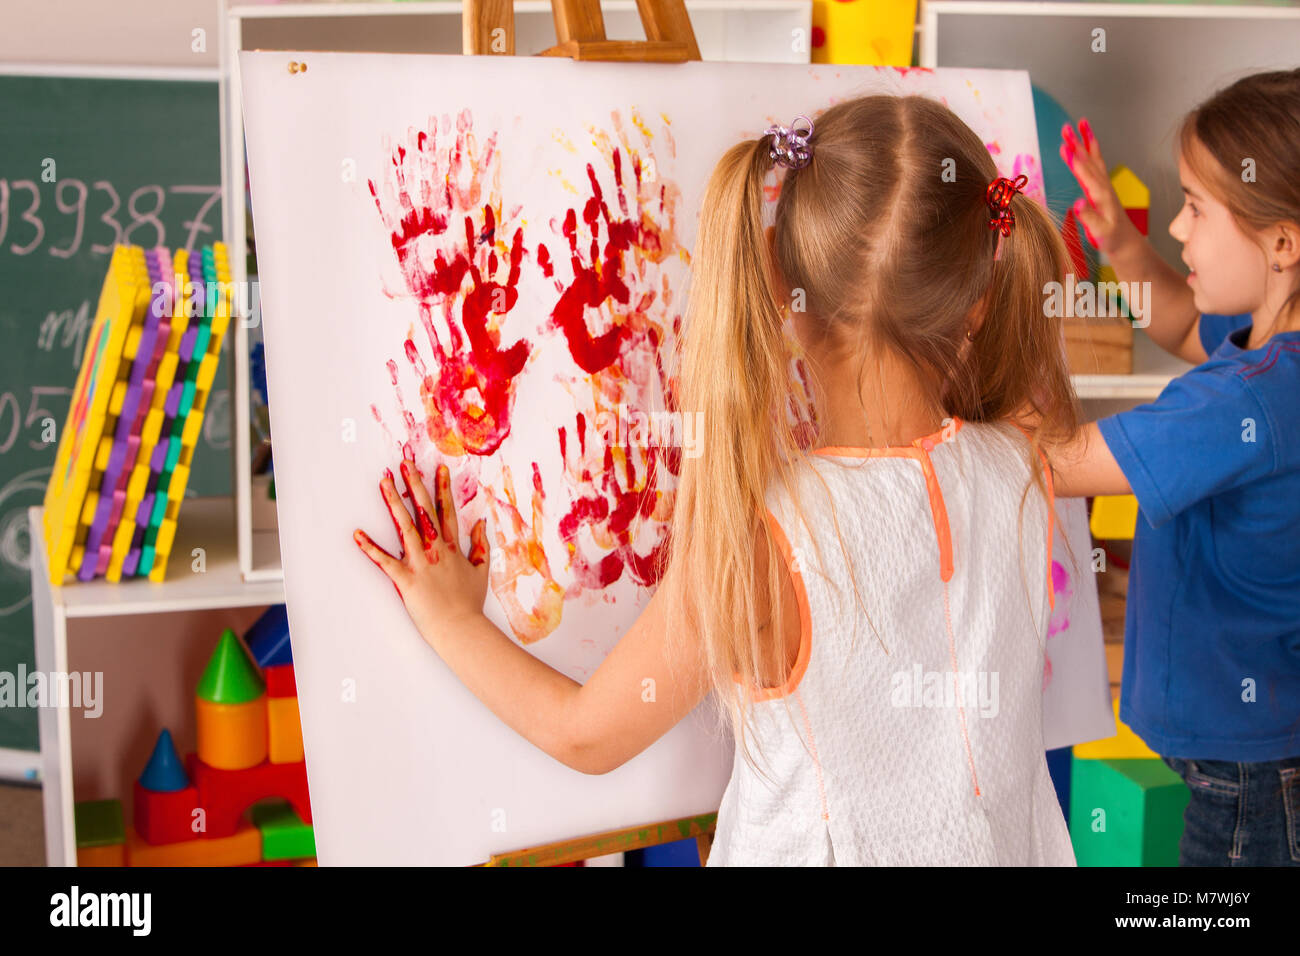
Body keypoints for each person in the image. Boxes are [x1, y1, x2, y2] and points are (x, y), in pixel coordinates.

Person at [354, 94, 1081, 865]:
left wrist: (452, 620)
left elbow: (586, 736)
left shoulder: (766, 540)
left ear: (780, 290)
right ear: (979, 300)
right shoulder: (1023, 465)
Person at [1051, 69, 1300, 866]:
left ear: (1283, 243)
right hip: (1249, 750)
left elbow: (1060, 463)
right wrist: (1121, 244)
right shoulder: (1270, 347)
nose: (1180, 230)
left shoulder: (1249, 402)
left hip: (1248, 775)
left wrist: (1030, 310)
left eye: (1195, 208)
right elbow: (1186, 321)